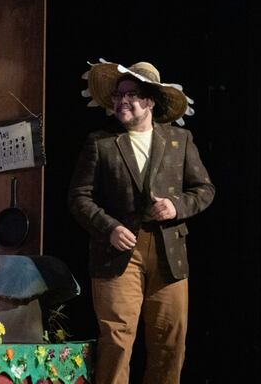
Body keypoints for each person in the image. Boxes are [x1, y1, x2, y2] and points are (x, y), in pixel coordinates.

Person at [68, 61, 215, 384]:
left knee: (169, 343)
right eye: (118, 95)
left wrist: (177, 207)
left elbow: (205, 190)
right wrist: (109, 227)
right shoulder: (101, 142)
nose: (121, 101)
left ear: (149, 100)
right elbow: (79, 198)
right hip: (119, 252)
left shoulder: (180, 140)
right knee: (117, 342)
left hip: (168, 254)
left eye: (130, 94)